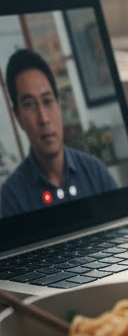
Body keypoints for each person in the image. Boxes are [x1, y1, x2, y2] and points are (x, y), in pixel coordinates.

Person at [2, 48, 118, 217]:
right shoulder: (11, 198)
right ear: (18, 117)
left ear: (58, 105)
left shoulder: (95, 172)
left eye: (47, 101)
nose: (43, 118)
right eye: (29, 105)